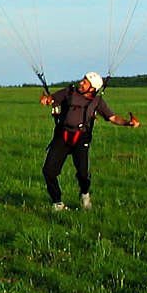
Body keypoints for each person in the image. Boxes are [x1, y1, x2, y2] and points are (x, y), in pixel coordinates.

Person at [39, 72, 138, 210]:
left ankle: (84, 193)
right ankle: (57, 202)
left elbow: (113, 118)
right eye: (82, 80)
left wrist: (128, 123)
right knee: (48, 171)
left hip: (81, 137)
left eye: (85, 82)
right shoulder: (69, 92)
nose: (81, 83)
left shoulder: (97, 102)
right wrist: (46, 100)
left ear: (92, 88)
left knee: (83, 173)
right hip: (62, 135)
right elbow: (52, 99)